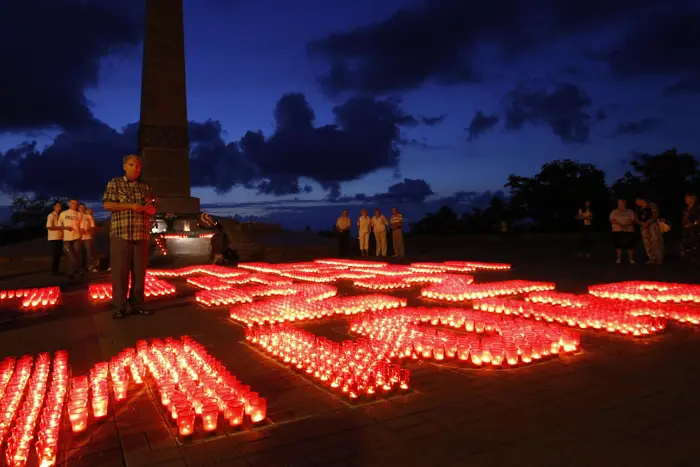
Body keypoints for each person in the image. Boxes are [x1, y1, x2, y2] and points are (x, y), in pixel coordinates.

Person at [102, 154, 156, 319]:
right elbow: (107, 204)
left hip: (141, 234)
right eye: (132, 165)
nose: (135, 168)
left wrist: (146, 209)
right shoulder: (115, 183)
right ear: (124, 166)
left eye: (138, 166)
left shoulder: (145, 187)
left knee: (140, 273)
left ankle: (137, 304)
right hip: (121, 233)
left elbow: (153, 209)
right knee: (120, 272)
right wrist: (131, 206)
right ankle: (120, 305)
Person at [58, 199, 83, 278]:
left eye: (76, 203)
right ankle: (73, 271)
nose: (74, 205)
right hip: (67, 239)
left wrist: (81, 234)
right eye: (72, 203)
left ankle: (72, 273)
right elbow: (59, 225)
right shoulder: (63, 213)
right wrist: (65, 227)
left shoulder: (79, 214)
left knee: (76, 255)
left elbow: (81, 226)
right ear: (69, 204)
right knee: (72, 257)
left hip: (76, 237)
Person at [635, 197, 664, 265]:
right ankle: (651, 258)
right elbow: (636, 218)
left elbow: (655, 214)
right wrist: (642, 223)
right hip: (644, 227)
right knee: (646, 242)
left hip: (652, 226)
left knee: (655, 241)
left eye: (637, 200)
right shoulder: (638, 208)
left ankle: (659, 259)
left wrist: (648, 222)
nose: (636, 202)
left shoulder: (651, 205)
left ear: (641, 200)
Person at [609, 199, 636, 264]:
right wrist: (621, 225)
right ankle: (618, 259)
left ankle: (631, 259)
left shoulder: (630, 211)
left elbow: (633, 220)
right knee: (618, 245)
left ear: (625, 204)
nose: (620, 205)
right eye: (619, 203)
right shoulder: (614, 211)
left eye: (622, 203)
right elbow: (612, 220)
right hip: (617, 230)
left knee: (630, 246)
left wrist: (626, 225)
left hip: (629, 230)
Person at [46, 201, 64, 276]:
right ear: (54, 207)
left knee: (59, 254)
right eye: (58, 206)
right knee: (55, 254)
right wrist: (60, 228)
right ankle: (54, 271)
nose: (59, 207)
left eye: (60, 206)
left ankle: (56, 270)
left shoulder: (59, 215)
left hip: (60, 237)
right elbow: (49, 227)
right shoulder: (51, 215)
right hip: (54, 237)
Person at [682, 193, 700, 264]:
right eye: (685, 198)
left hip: (695, 230)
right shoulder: (685, 209)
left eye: (687, 198)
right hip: (686, 230)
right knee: (687, 244)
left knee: (695, 245)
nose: (686, 199)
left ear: (693, 199)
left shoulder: (697, 208)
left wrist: (692, 224)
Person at [79, 204, 97, 272]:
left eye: (83, 207)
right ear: (78, 208)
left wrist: (89, 231)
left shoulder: (88, 216)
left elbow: (92, 226)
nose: (82, 208)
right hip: (78, 237)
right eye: (80, 207)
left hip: (87, 237)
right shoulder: (76, 215)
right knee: (80, 253)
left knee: (89, 252)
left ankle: (91, 266)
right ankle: (80, 268)